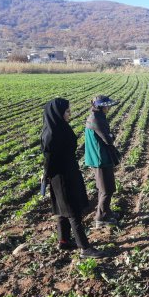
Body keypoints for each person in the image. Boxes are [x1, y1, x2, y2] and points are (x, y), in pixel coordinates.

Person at [41, 98, 104, 258]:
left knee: (63, 210)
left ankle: (64, 240)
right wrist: (46, 175)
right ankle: (85, 248)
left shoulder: (60, 128)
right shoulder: (51, 134)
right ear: (58, 113)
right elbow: (49, 159)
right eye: (67, 112)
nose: (70, 114)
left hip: (69, 172)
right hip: (61, 177)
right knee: (72, 211)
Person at [85, 95, 121, 228]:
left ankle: (106, 211)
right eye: (107, 105)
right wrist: (112, 135)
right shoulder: (96, 120)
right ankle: (101, 218)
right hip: (100, 158)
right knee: (106, 189)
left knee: (105, 188)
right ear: (101, 106)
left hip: (100, 157)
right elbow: (108, 139)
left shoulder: (96, 117)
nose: (109, 107)